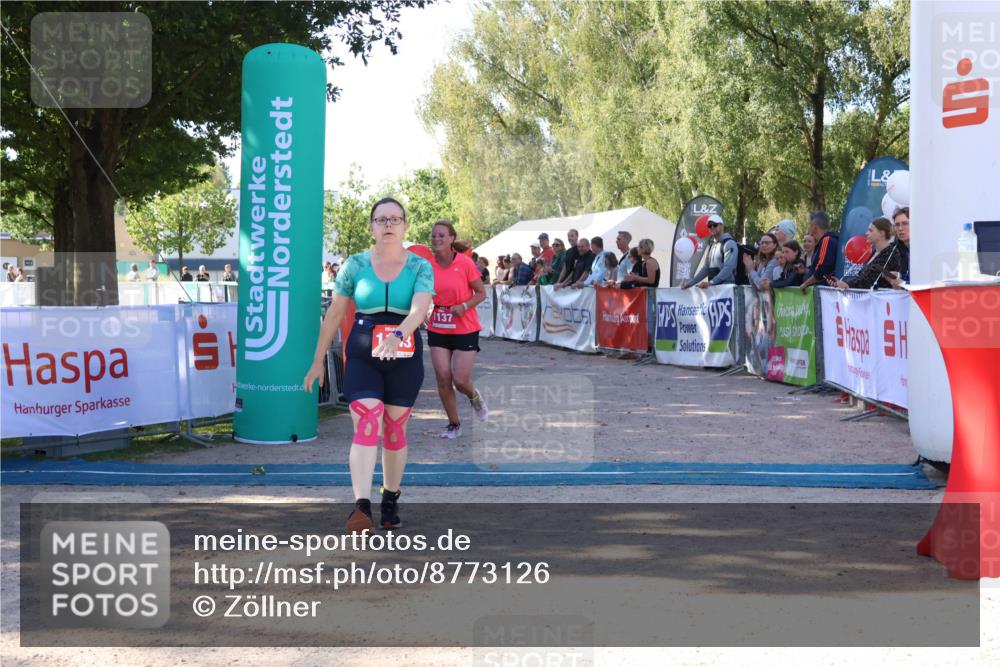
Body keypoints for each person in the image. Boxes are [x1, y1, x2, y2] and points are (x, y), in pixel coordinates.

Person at [303, 197, 434, 533]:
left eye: (394, 219)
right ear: (372, 226)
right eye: (381, 219)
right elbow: (334, 313)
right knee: (367, 421)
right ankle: (361, 506)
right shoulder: (355, 265)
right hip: (363, 352)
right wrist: (317, 361)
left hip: (404, 353)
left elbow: (419, 309)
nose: (388, 225)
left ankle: (390, 498)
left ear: (405, 225)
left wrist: (399, 334)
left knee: (394, 428)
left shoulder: (420, 266)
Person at [427, 220, 489, 440]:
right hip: (438, 326)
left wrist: (464, 306)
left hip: (464, 326)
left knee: (460, 380)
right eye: (434, 235)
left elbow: (481, 293)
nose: (437, 239)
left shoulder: (464, 263)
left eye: (441, 235)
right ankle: (454, 424)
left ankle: (475, 398)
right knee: (443, 377)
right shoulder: (428, 265)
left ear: (452, 238)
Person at [830, 217, 903, 290]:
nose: (866, 233)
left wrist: (846, 284)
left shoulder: (890, 253)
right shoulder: (874, 252)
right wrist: (842, 283)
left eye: (870, 230)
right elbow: (862, 277)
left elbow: (870, 279)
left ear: (881, 233)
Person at [682, 214, 737, 288]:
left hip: (727, 290)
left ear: (722, 226)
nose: (712, 227)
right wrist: (690, 283)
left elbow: (728, 268)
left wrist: (711, 283)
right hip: (714, 289)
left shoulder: (729, 243)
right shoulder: (712, 246)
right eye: (709, 226)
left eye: (715, 225)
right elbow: (706, 268)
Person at [799, 211, 839, 293]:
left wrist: (806, 284)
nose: (808, 227)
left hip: (824, 292)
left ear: (814, 227)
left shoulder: (826, 240)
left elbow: (823, 269)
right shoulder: (826, 241)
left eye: (809, 225)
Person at [887, 207, 910, 289]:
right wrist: (896, 275)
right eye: (897, 225)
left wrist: (904, 284)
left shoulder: (925, 249)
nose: (900, 228)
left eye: (905, 223)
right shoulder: (894, 249)